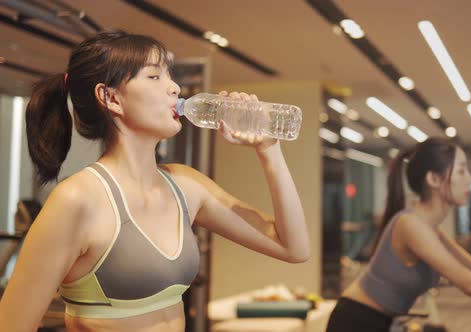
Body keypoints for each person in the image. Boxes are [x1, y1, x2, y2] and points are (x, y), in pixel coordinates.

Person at [0, 31, 310, 332]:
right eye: (154, 76)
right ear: (111, 97)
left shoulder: (186, 185)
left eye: (169, 76)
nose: (174, 88)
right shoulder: (77, 199)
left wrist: (269, 148)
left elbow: (293, 248)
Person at [325, 138, 471, 332]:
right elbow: (469, 284)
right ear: (434, 179)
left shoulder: (428, 227)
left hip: (375, 321)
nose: (470, 179)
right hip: (355, 321)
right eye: (461, 171)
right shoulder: (411, 225)